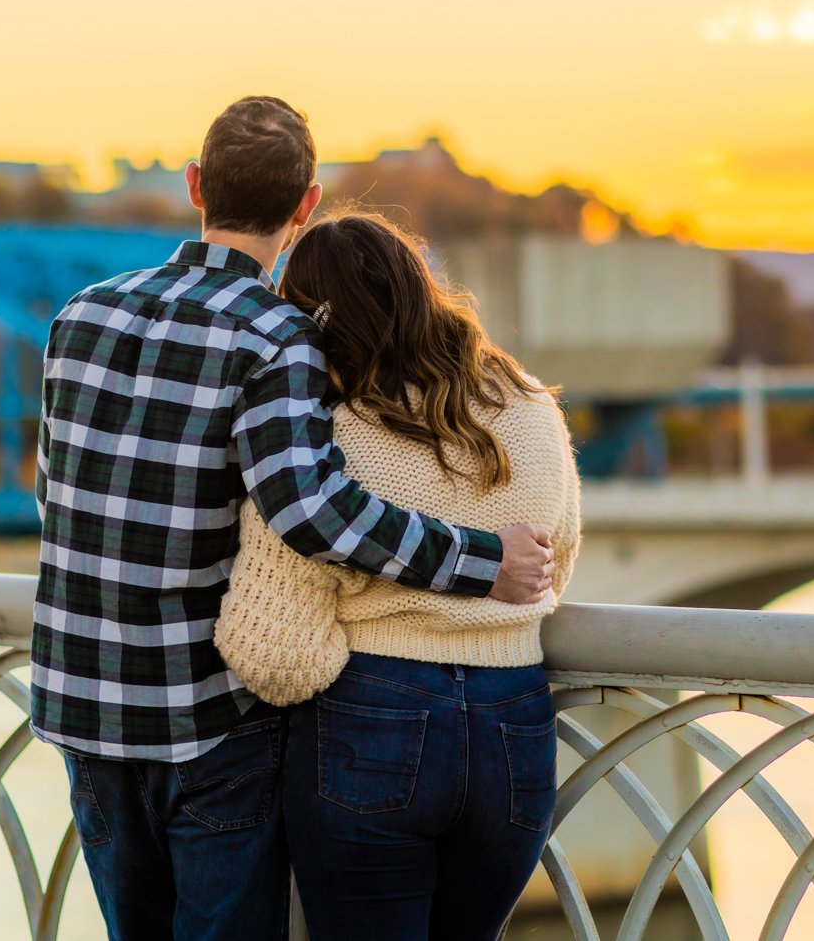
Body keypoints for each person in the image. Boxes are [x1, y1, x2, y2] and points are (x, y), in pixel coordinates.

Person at [29, 98, 555, 941]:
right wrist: (482, 562)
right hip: (207, 720)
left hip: (83, 707)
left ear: (197, 185)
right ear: (306, 204)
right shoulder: (277, 336)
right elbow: (311, 510)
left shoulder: (80, 315)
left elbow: (59, 496)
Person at [215, 211, 583, 941]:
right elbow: (554, 565)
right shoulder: (533, 407)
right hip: (516, 721)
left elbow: (275, 654)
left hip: (372, 719)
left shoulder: (328, 437)